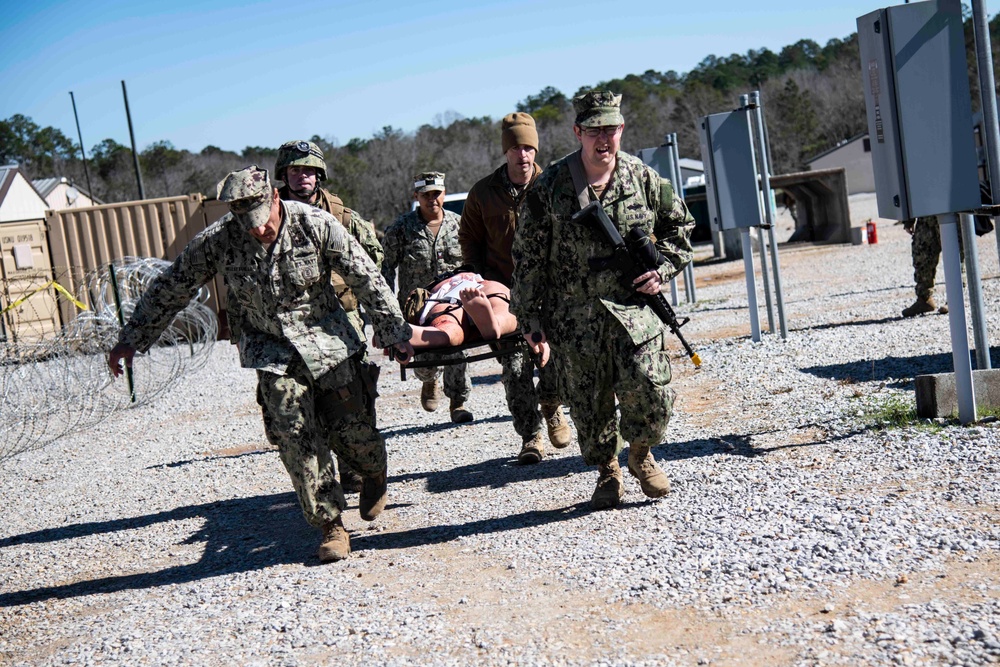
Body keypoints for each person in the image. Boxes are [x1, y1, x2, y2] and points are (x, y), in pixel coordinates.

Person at [107, 166, 415, 563]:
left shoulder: (315, 223)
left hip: (328, 341)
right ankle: (331, 525)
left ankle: (373, 470)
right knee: (294, 432)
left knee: (353, 432)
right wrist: (131, 339)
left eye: (262, 221)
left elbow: (365, 276)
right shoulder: (220, 240)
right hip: (271, 351)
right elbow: (173, 285)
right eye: (245, 223)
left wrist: (395, 332)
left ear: (274, 198)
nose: (257, 231)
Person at [511, 91, 695, 510]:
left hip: (634, 315)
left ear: (621, 129)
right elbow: (528, 258)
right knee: (590, 408)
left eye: (610, 130)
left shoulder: (642, 178)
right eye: (594, 130)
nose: (603, 140)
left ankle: (641, 454)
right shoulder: (550, 188)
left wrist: (661, 269)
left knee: (651, 393)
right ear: (578, 132)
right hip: (576, 320)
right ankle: (607, 471)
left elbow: (680, 230)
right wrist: (530, 318)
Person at [459, 112, 571, 465]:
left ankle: (552, 406)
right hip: (503, 293)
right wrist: (480, 283)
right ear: (505, 152)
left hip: (548, 291)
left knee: (553, 360)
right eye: (515, 148)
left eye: (528, 147)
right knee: (515, 367)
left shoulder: (553, 185)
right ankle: (530, 436)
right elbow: (470, 243)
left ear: (535, 150)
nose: (522, 155)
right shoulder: (482, 194)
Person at [273, 139, 384, 493]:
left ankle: (356, 465)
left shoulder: (342, 216)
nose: (301, 176)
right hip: (293, 323)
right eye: (294, 170)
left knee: (356, 393)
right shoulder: (271, 215)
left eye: (308, 170)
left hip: (342, 320)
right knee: (299, 403)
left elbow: (373, 261)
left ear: (319, 175)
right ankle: (320, 478)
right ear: (284, 176)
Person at [382, 171, 473, 423]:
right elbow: (386, 268)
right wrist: (387, 311)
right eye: (426, 195)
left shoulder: (459, 225)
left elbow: (472, 261)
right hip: (417, 308)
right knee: (424, 360)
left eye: (436, 194)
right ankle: (429, 380)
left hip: (452, 305)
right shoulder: (402, 229)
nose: (432, 199)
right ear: (416, 196)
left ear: (444, 193)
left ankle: (458, 402)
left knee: (458, 350)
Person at [901, 216, 953, 317]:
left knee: (953, 254)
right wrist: (908, 219)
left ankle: (955, 299)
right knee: (921, 254)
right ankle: (924, 299)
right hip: (925, 213)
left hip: (950, 211)